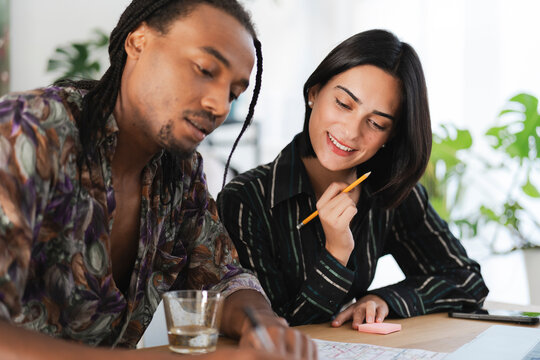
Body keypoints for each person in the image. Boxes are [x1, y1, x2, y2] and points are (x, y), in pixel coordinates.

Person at [0, 1, 316, 359]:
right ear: (138, 41)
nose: (219, 106)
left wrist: (261, 323)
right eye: (205, 69)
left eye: (234, 93)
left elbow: (224, 278)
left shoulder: (179, 174)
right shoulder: (26, 131)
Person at [217, 29, 489, 328]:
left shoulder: (389, 192)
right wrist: (337, 251)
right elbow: (273, 329)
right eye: (343, 104)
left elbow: (465, 279)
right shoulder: (246, 199)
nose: (350, 131)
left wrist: (385, 299)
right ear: (314, 93)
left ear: (391, 135)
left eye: (376, 123)